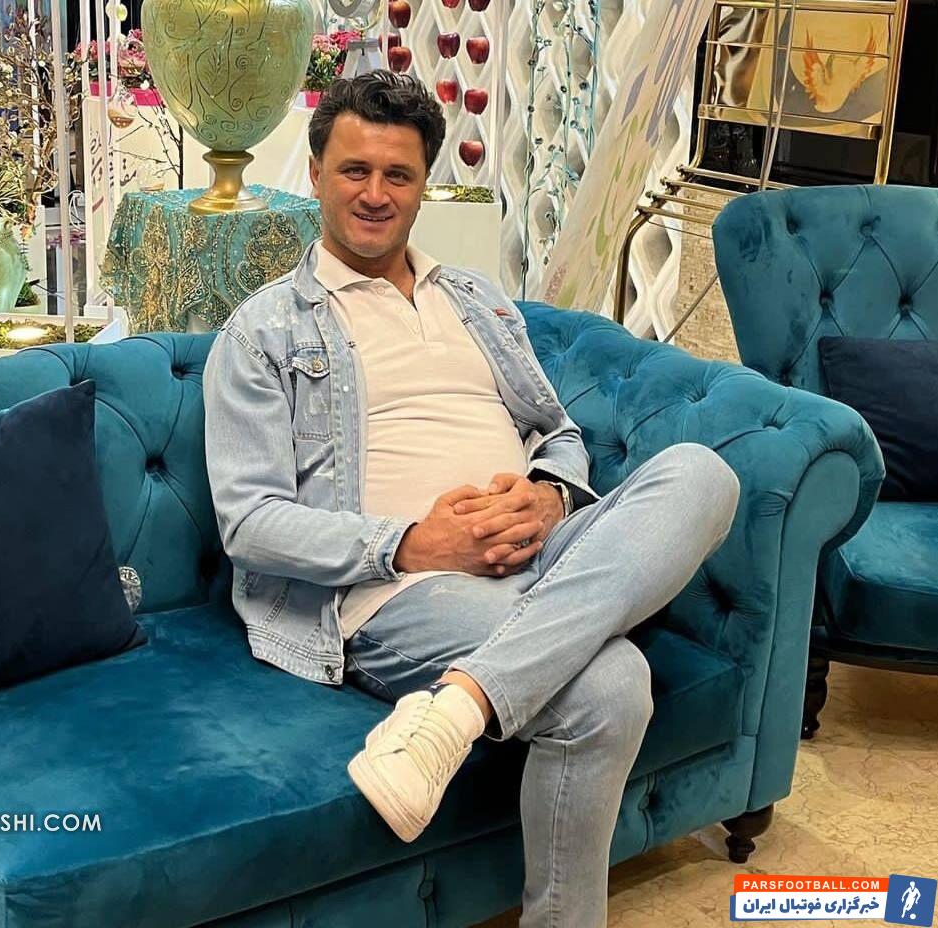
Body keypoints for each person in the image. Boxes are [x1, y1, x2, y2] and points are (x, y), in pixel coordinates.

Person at [202, 71, 740, 928]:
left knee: (702, 473)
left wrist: (549, 498)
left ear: (423, 185)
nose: (375, 194)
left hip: (542, 559)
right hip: (398, 592)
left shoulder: (476, 301)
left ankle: (454, 711)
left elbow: (555, 431)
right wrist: (412, 543)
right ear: (314, 174)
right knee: (610, 683)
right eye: (354, 170)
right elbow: (250, 523)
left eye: (398, 175)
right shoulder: (263, 331)